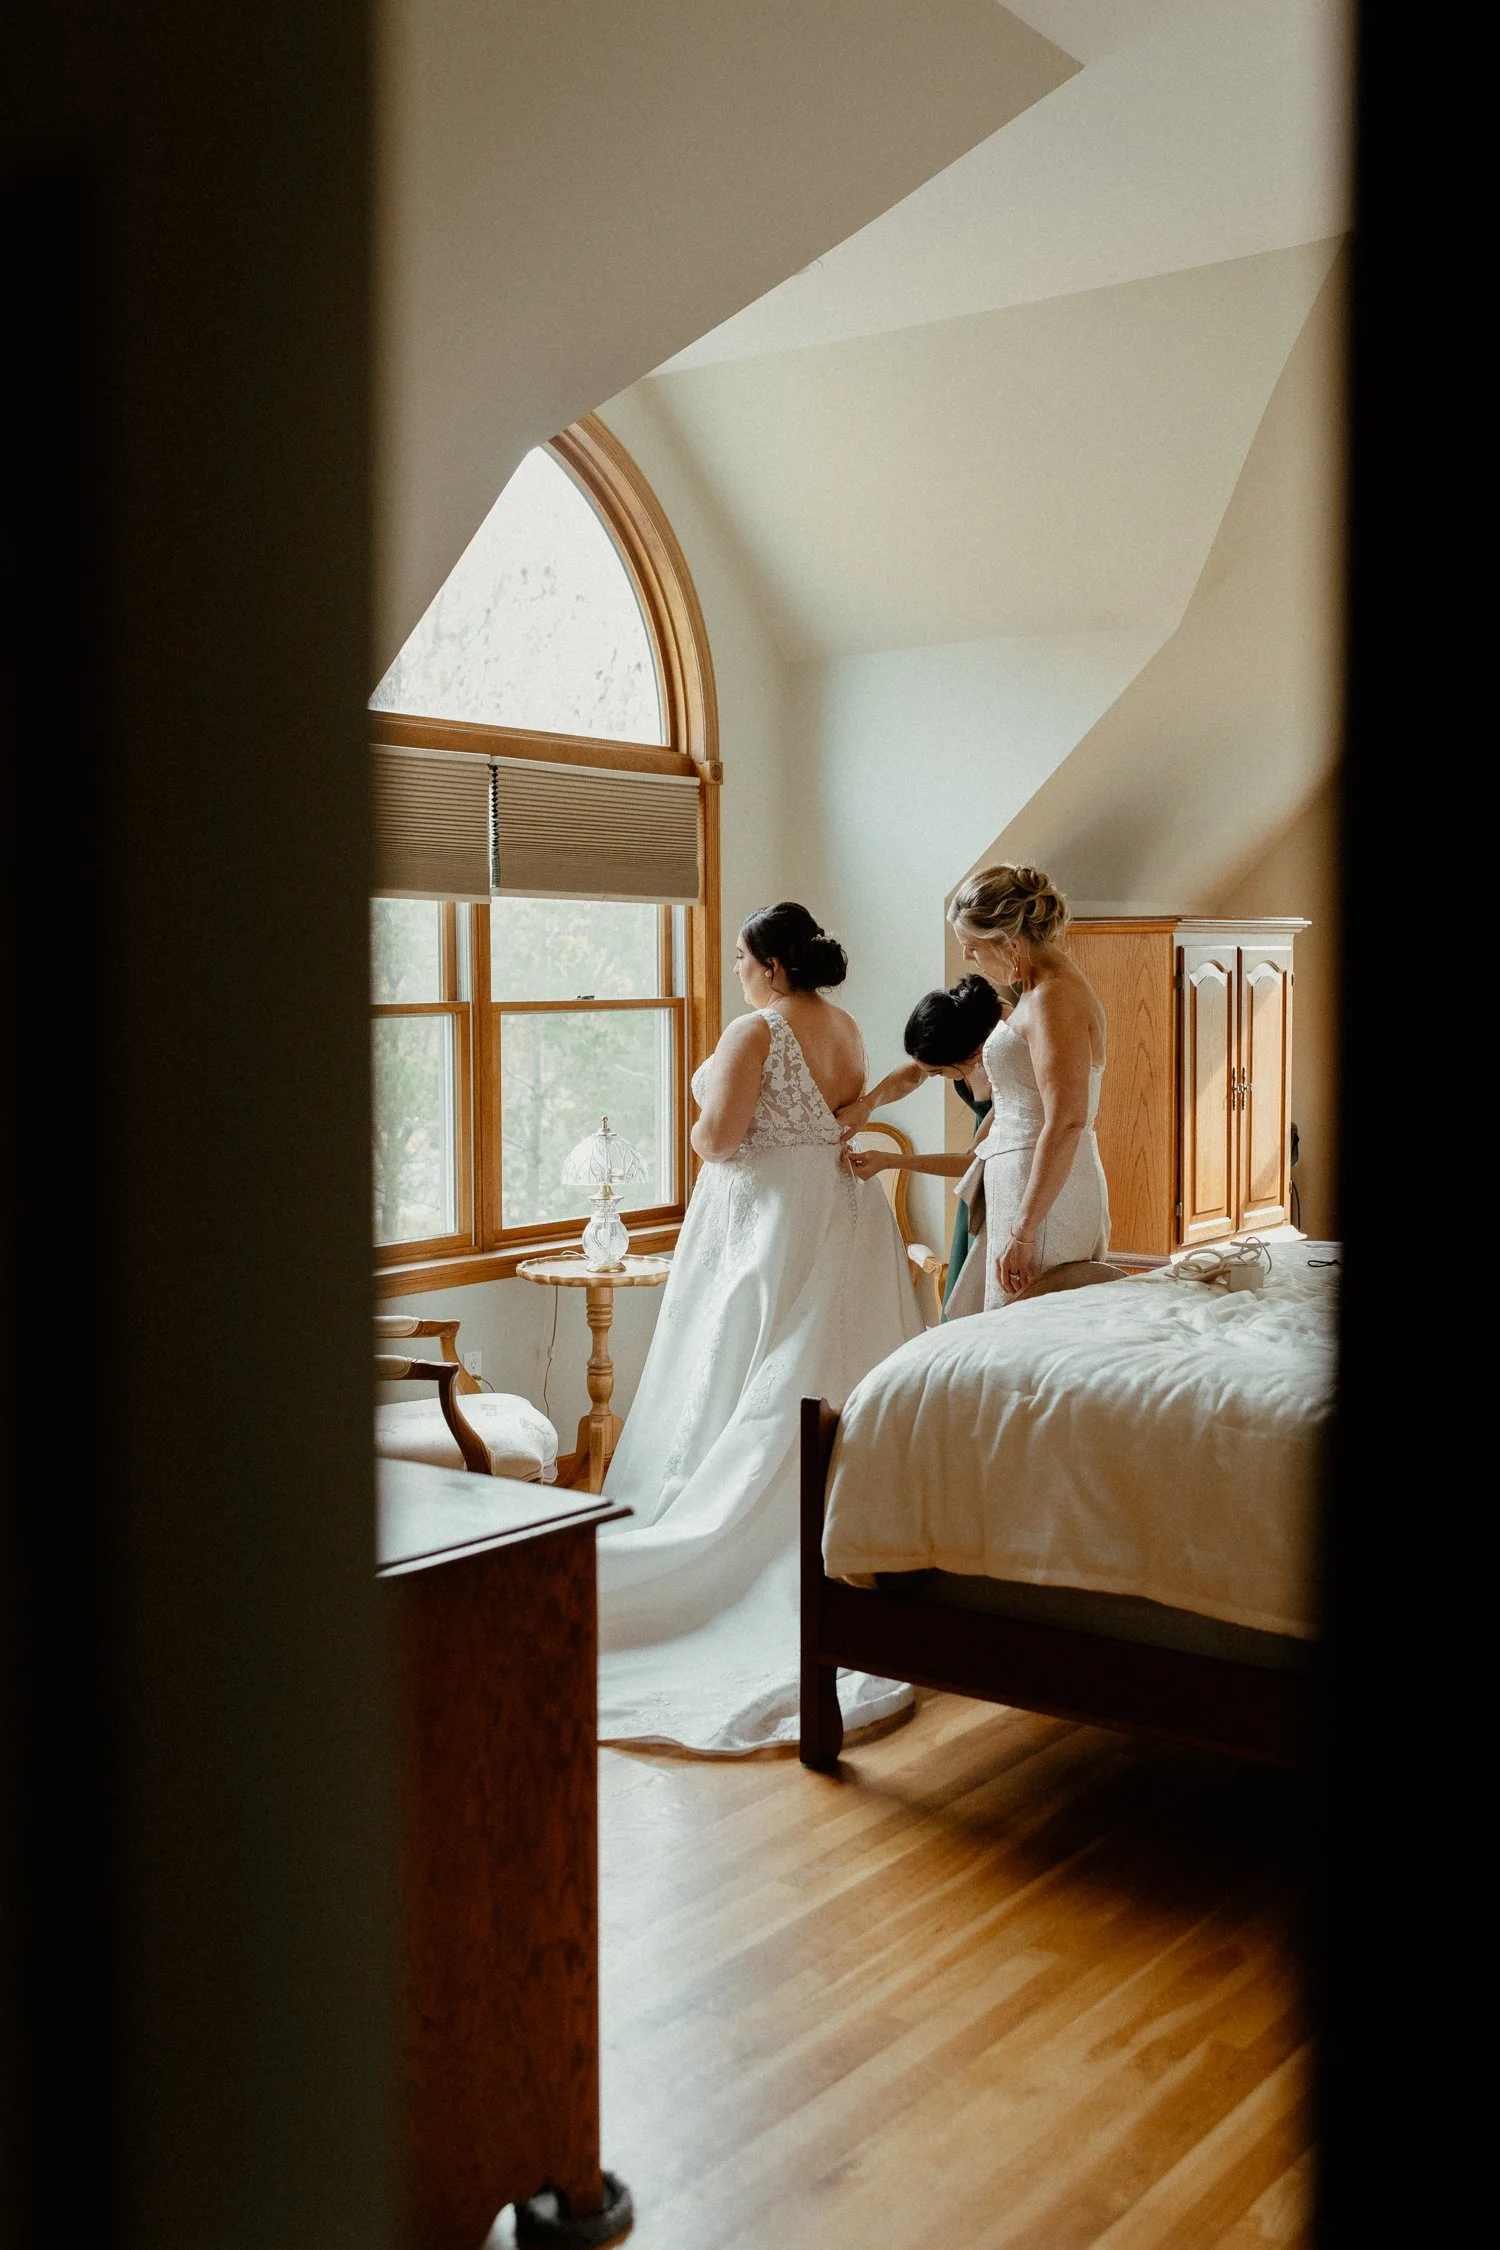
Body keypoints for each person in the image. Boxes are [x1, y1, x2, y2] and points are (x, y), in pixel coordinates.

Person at [595, 902, 924, 1754]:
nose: (737, 971)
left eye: (742, 959)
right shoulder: (845, 1027)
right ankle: (851, 1531)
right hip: (837, 1213)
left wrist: (697, 1100)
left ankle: (728, 1541)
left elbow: (720, 1140)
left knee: (743, 1363)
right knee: (824, 1364)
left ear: (773, 968)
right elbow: (841, 1120)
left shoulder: (756, 1032)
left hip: (766, 1221)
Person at [847, 866, 1108, 1308]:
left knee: (1026, 1335)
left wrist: (1024, 1231)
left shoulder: (1053, 999)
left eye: (970, 947)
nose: (969, 959)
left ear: (1007, 939)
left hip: (1040, 1200)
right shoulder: (1038, 992)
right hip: (1023, 1186)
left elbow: (1066, 1121)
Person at [834, 974, 1008, 1317]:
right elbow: (914, 1073)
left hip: (1002, 1171)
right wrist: (868, 1105)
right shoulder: (966, 1027)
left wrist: (892, 1161)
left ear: (973, 1054)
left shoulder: (1008, 1061)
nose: (932, 1076)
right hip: (979, 1172)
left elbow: (969, 1161)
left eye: (939, 1072)